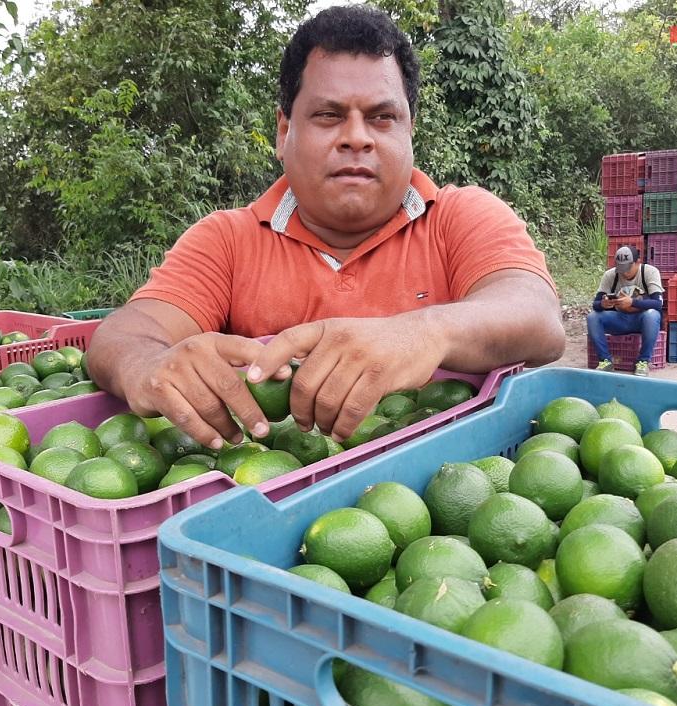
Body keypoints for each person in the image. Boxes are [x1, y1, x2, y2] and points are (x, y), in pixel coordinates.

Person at [88, 5, 565, 449]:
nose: (356, 137)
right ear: (283, 131)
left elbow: (537, 318)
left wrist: (423, 332)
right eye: (328, 115)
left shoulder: (462, 216)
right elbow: (125, 334)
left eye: (382, 118)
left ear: (409, 131)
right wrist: (148, 366)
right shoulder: (227, 241)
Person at [587, 245, 664, 376]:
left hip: (642, 320)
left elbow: (658, 303)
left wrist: (633, 302)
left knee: (652, 315)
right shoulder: (610, 275)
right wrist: (604, 304)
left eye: (628, 268)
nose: (624, 273)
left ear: (637, 262)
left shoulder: (649, 272)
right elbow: (596, 304)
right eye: (621, 269)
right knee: (592, 317)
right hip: (620, 319)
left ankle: (643, 361)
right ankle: (605, 360)